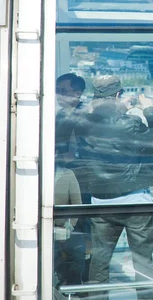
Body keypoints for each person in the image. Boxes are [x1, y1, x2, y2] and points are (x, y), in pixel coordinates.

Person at [74, 75, 153, 300]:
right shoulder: (131, 122)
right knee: (143, 260)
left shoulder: (83, 123)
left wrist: (117, 109)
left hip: (101, 200)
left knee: (100, 260)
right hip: (134, 199)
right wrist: (149, 110)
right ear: (118, 95)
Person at [55, 73, 89, 285]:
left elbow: (91, 147)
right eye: (58, 91)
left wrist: (68, 157)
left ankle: (79, 280)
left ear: (78, 93)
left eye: (64, 91)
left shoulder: (85, 115)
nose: (59, 95)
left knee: (80, 229)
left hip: (81, 179)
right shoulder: (60, 115)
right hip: (63, 177)